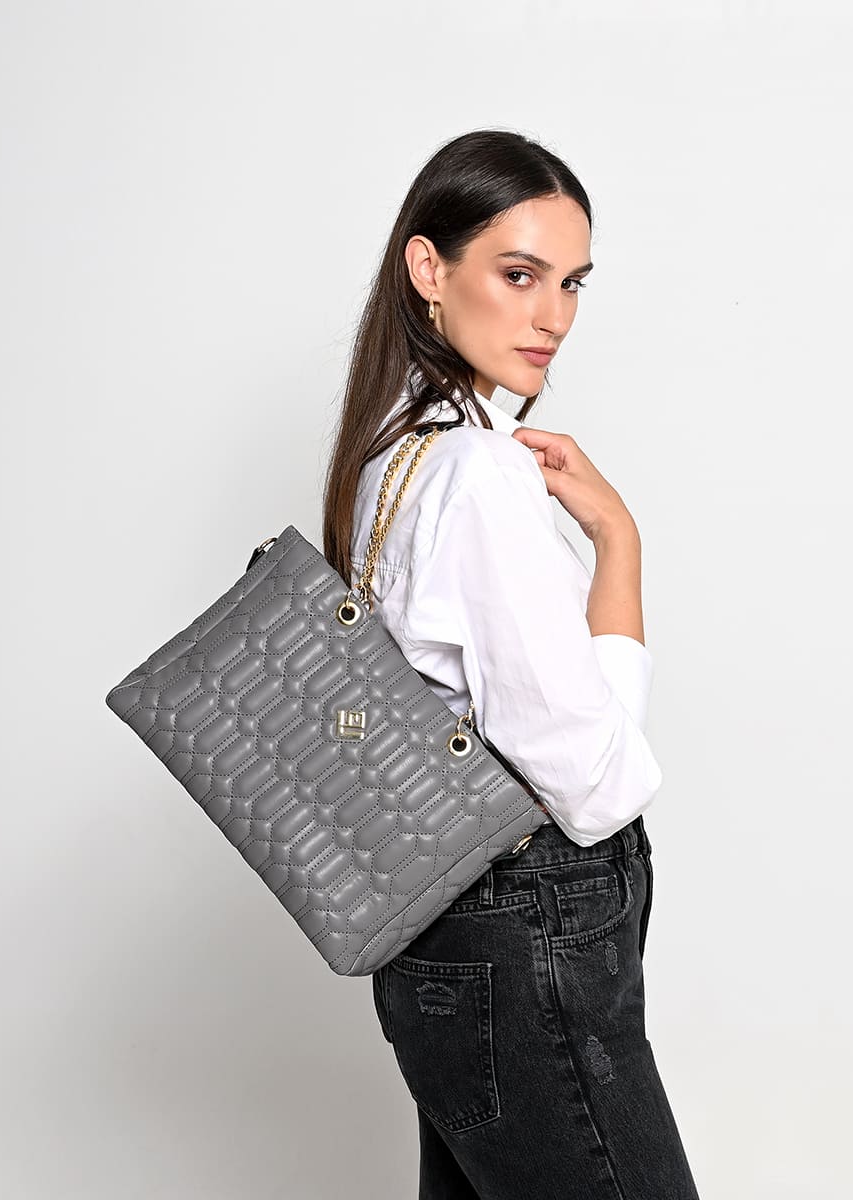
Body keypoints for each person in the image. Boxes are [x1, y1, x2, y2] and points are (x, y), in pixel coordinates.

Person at [321, 129, 700, 1200]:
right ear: (429, 269)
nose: (554, 317)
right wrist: (619, 541)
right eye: (520, 274)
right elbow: (593, 784)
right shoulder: (479, 471)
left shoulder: (388, 455)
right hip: (526, 925)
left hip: (445, 936)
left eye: (571, 283)